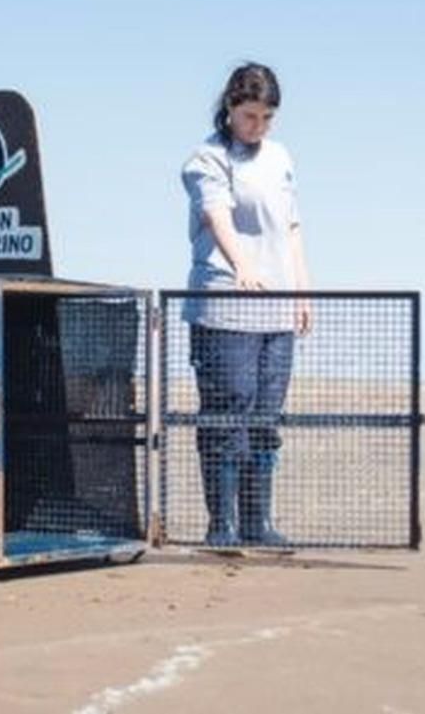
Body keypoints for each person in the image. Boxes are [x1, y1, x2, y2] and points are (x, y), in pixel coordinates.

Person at [180, 62, 312, 548]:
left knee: (264, 418)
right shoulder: (207, 158)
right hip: (224, 307)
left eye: (267, 117)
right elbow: (217, 217)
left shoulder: (279, 158)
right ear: (231, 109)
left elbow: (292, 227)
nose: (258, 126)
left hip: (276, 310)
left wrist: (301, 290)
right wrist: (242, 266)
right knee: (226, 411)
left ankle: (258, 522)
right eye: (250, 116)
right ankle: (222, 525)